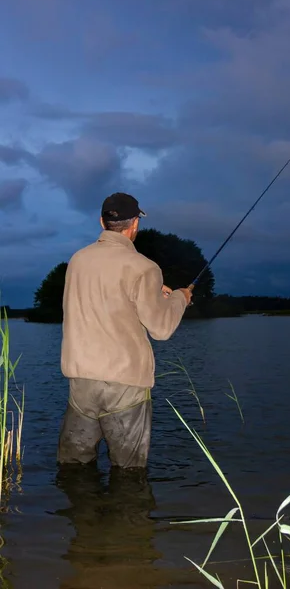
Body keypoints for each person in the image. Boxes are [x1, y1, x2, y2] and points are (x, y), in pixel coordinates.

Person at [58, 192, 192, 469]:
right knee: (129, 471)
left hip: (81, 380)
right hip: (124, 384)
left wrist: (154, 292)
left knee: (75, 468)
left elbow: (107, 297)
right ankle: (127, 511)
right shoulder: (144, 267)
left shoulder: (77, 260)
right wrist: (180, 297)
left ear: (102, 221)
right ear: (135, 225)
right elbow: (162, 328)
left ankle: (80, 510)